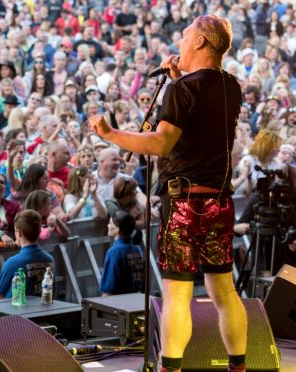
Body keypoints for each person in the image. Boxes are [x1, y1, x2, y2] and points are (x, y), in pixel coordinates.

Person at [90, 15, 247, 372]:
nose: (179, 40)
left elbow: (161, 143)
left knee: (178, 293)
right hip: (219, 201)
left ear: (201, 42)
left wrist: (110, 133)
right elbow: (201, 115)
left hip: (185, 205)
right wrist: (179, 80)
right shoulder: (231, 86)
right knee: (224, 290)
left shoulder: (182, 90)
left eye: (185, 34)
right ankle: (238, 367)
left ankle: (170, 368)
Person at [0, 209, 54, 298]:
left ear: (19, 232)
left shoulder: (12, 263)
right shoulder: (50, 260)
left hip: (19, 311)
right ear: (39, 232)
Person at [99, 211, 143, 296]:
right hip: (135, 300)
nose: (108, 225)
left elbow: (108, 289)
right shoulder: (137, 249)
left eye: (111, 223)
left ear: (118, 229)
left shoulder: (114, 252)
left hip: (117, 303)